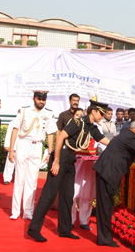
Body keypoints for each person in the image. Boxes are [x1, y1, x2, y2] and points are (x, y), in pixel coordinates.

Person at [27, 99, 110, 243]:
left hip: (71, 159)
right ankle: (33, 229)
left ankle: (64, 230)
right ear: (94, 111)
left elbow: (104, 140)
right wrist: (56, 161)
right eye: (101, 114)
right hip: (61, 156)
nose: (102, 116)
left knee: (68, 195)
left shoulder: (91, 127)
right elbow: (60, 138)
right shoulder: (77, 122)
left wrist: (124, 146)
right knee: (49, 195)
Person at [8, 90, 57, 220]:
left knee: (32, 180)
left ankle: (28, 212)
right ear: (33, 98)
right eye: (39, 99)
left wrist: (50, 152)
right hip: (24, 143)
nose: (41, 101)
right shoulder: (24, 111)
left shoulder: (49, 113)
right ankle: (15, 211)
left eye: (43, 99)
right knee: (19, 179)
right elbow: (15, 129)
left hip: (37, 146)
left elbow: (50, 134)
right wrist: (11, 150)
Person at [3, 118, 18, 184]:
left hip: (23, 147)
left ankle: (19, 179)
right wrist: (6, 145)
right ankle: (7, 179)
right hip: (13, 146)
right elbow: (9, 134)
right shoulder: (13, 122)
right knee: (10, 163)